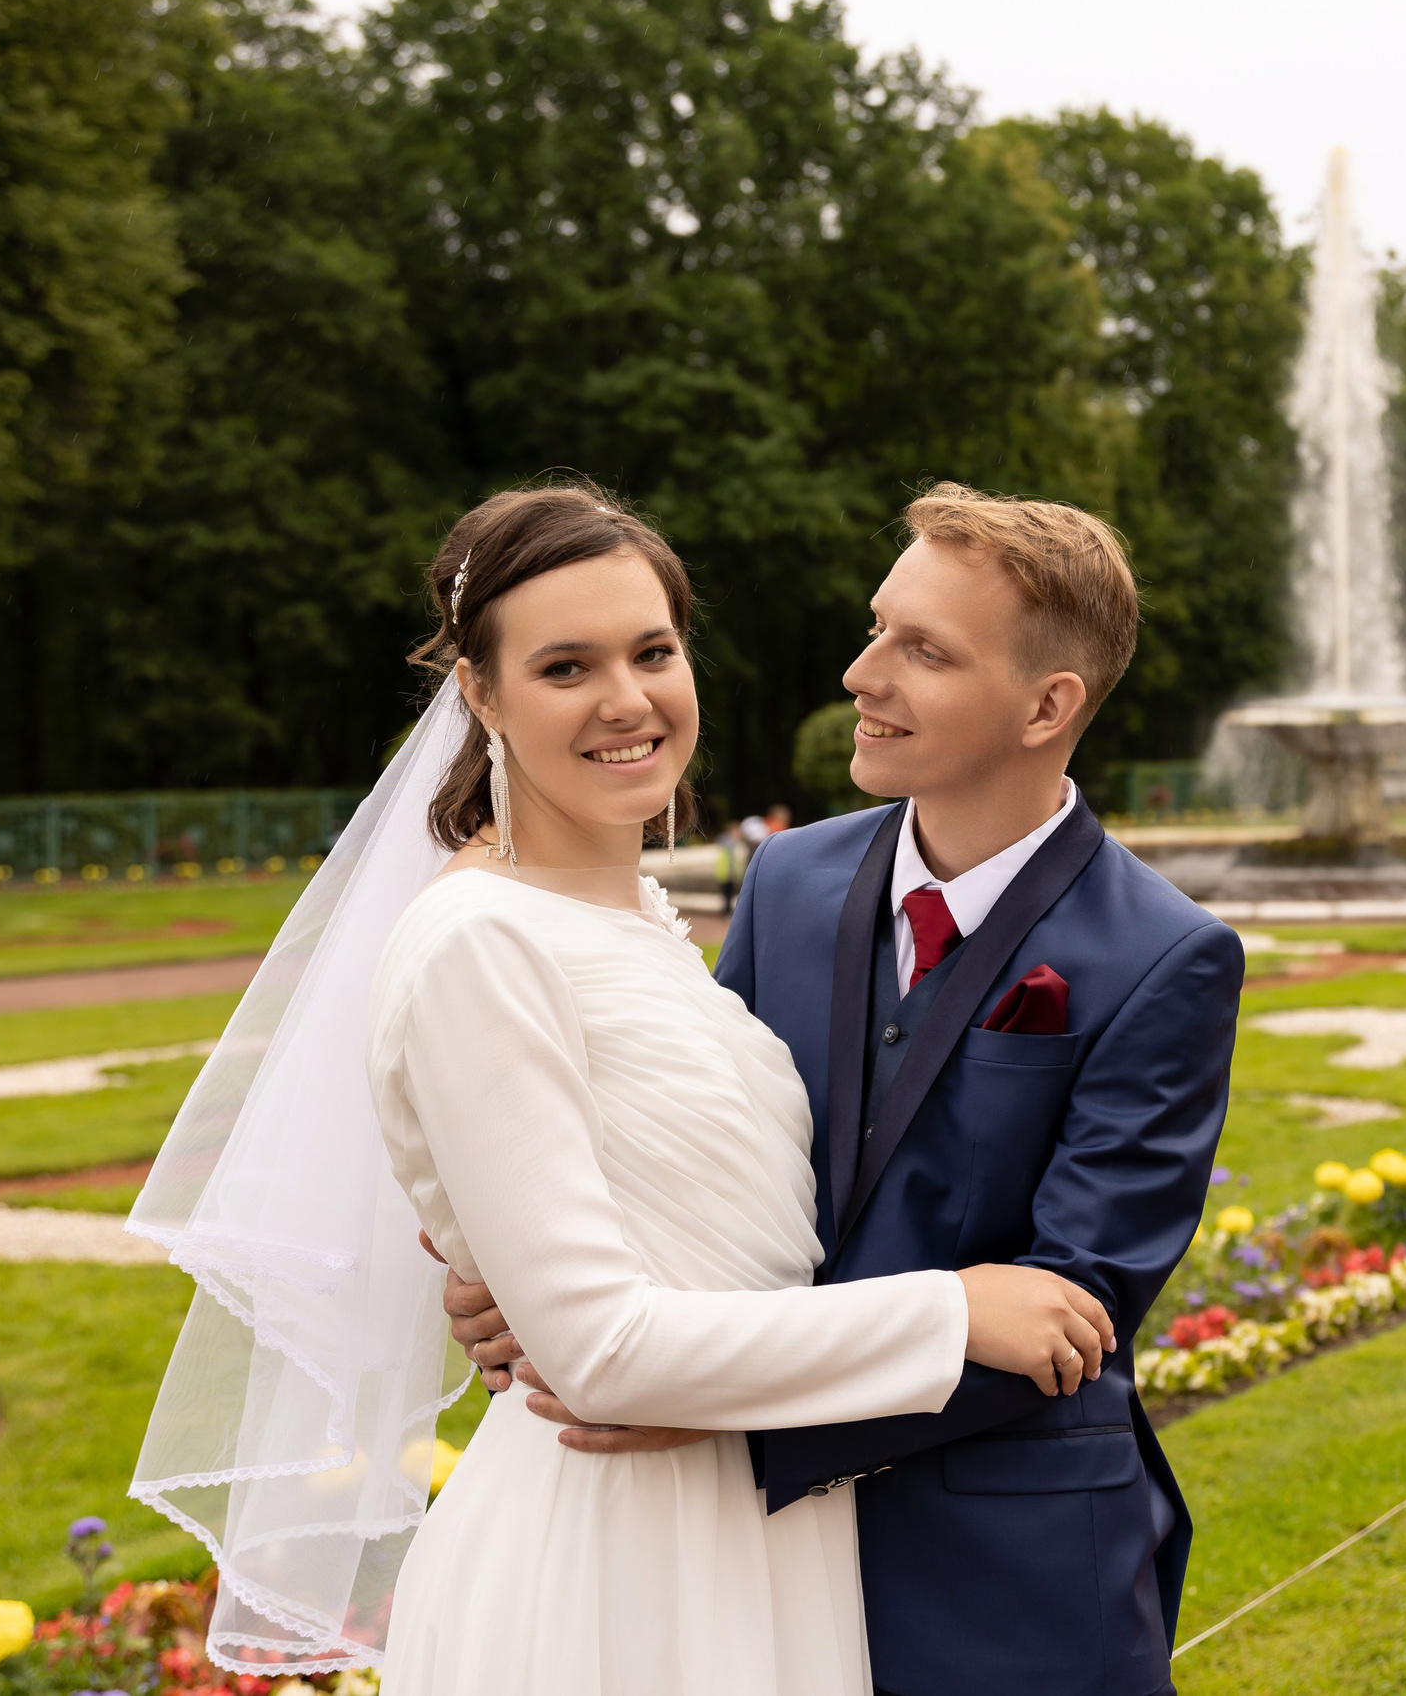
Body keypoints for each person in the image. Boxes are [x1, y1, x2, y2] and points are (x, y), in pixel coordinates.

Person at [125, 484, 1116, 1693]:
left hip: (764, 1524)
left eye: (652, 651)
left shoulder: (641, 921)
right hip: (612, 1562)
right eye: (563, 667)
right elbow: (599, 1354)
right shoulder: (476, 947)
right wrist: (953, 1314)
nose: (627, 700)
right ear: (480, 694)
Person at [447, 483, 1245, 1696]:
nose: (860, 672)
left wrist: (723, 1410)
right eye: (880, 626)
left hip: (1005, 1569)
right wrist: (515, 1278)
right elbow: (698, 1145)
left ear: (1047, 704)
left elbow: (1070, 1308)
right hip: (738, 1569)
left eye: (921, 649)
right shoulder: (793, 880)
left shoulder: (1167, 957)